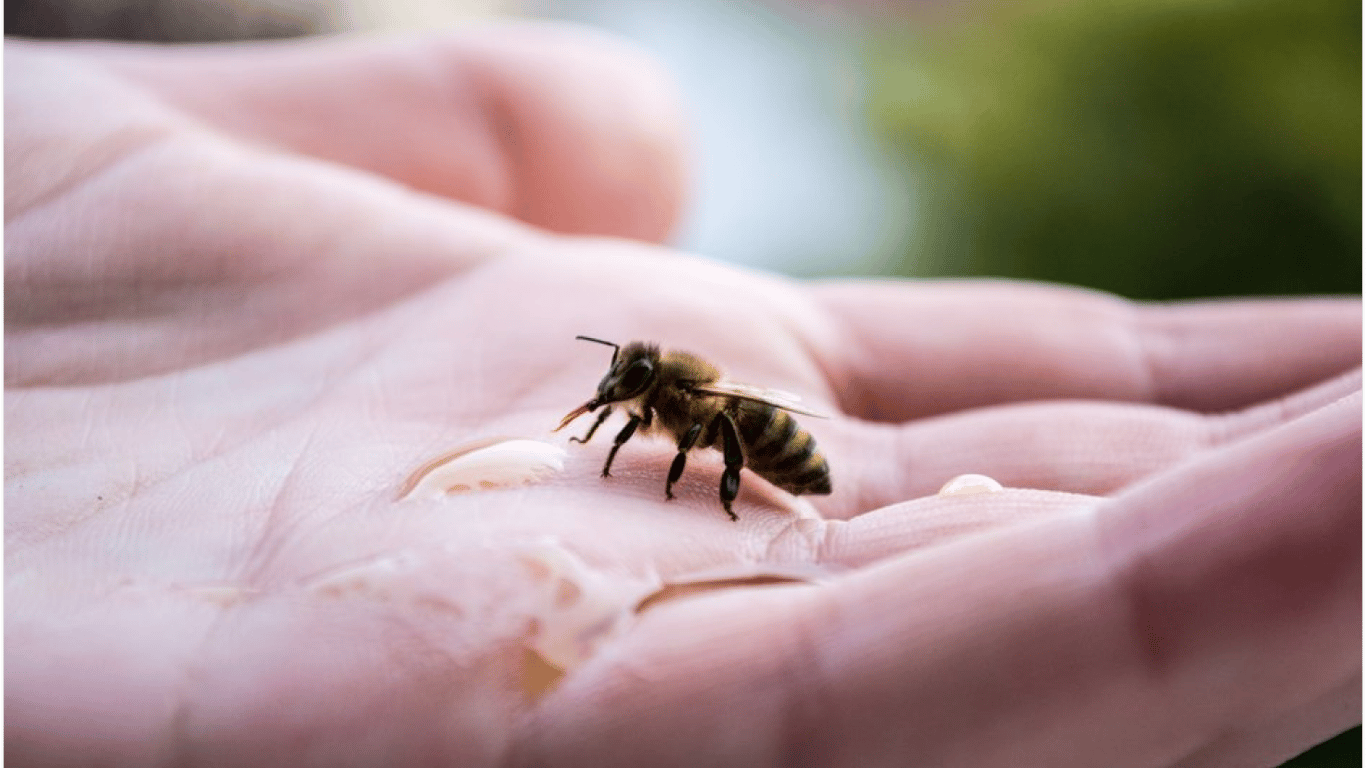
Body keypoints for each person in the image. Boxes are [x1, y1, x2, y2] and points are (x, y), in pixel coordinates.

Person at [3, 25, 1360, 768]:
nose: (606, 397)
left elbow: (696, 436)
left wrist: (686, 484)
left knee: (734, 454)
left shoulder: (691, 415)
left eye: (618, 389)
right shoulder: (647, 393)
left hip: (774, 456)